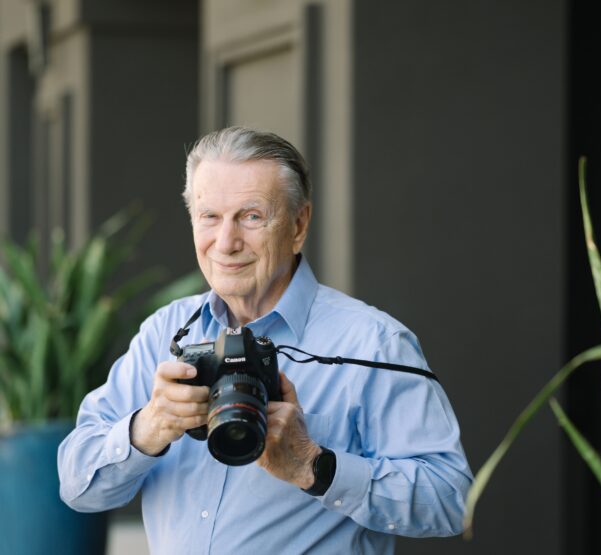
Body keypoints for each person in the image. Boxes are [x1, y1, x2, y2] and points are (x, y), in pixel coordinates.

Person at [58, 128, 472, 553]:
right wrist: (147, 428)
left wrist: (315, 465)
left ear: (298, 225)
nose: (226, 242)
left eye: (251, 216)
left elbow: (452, 500)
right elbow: (77, 486)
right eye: (210, 217)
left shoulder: (373, 343)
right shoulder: (164, 333)